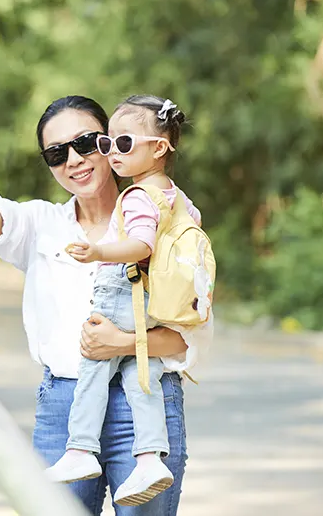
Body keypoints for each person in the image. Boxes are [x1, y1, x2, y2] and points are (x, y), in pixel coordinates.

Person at [0, 95, 213, 516]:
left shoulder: (166, 222)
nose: (74, 160)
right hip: (63, 411)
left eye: (86, 143)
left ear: (110, 142)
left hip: (143, 406)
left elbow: (187, 336)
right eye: (56, 153)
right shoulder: (43, 224)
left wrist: (122, 343)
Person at [43, 95, 204, 508]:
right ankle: (149, 457)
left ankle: (80, 448)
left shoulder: (135, 196)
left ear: (160, 147)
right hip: (152, 300)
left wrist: (99, 251)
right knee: (141, 375)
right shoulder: (177, 196)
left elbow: (141, 245)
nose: (112, 152)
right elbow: (189, 229)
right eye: (107, 143)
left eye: (124, 143)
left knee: (95, 367)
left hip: (121, 290)